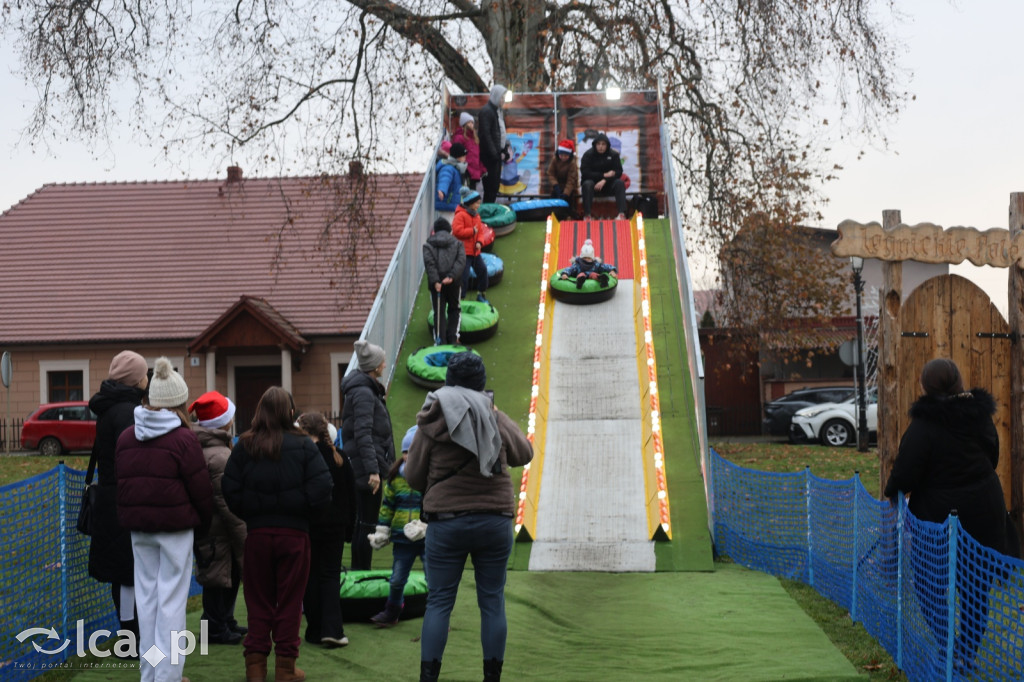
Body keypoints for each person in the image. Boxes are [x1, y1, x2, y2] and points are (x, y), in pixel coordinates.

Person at [405, 352, 533, 682]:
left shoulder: (432, 417)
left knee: (439, 602)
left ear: (448, 379)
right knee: (492, 601)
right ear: (481, 383)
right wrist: (494, 413)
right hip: (495, 518)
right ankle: (492, 677)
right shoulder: (491, 415)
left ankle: (428, 677)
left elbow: (415, 477)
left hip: (446, 521)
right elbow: (524, 452)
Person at [884, 358, 1017, 670]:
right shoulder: (979, 416)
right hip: (985, 510)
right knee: (976, 586)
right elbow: (992, 455)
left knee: (930, 584)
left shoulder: (924, 425)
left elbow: (905, 473)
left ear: (926, 386)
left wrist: (893, 492)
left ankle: (949, 646)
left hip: (937, 519)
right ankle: (965, 651)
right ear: (958, 381)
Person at [222, 386, 332, 682]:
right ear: (290, 412)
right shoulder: (305, 446)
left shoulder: (245, 445)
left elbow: (229, 489)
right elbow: (323, 489)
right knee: (290, 602)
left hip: (257, 535)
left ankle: (255, 667)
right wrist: (303, 513)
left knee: (257, 601)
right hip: (295, 536)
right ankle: (285, 667)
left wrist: (251, 513)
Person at [115, 357, 214, 682]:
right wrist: (204, 524)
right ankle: (168, 676)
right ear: (178, 402)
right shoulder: (183, 439)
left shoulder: (127, 437)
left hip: (138, 529)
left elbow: (124, 485)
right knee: (171, 604)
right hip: (175, 529)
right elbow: (200, 489)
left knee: (147, 603)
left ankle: (151, 674)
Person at [86, 350, 149, 654]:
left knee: (125, 572)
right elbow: (133, 459)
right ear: (137, 379)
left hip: (115, 500)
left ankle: (131, 636)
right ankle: (132, 640)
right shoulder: (126, 411)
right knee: (127, 574)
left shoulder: (114, 408)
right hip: (125, 501)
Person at [189, 391, 248, 646]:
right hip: (219, 530)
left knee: (226, 576)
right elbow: (227, 502)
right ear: (223, 422)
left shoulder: (210, 449)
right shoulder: (220, 456)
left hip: (211, 528)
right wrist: (243, 533)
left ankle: (224, 620)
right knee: (218, 579)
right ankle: (214, 628)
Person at [297, 411, 355, 649]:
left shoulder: (301, 457)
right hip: (336, 527)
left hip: (310, 525)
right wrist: (349, 529)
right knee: (330, 575)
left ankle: (314, 629)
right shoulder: (340, 457)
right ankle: (333, 629)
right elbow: (352, 497)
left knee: (310, 576)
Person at [340, 340, 397, 571]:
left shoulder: (364, 390)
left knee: (363, 524)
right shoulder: (364, 393)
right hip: (366, 471)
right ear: (374, 367)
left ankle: (360, 572)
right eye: (382, 361)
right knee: (366, 525)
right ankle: (360, 574)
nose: (385, 364)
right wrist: (374, 470)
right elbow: (363, 434)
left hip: (365, 466)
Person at [367, 425, 428, 627]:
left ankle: (437, 615)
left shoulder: (429, 477)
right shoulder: (395, 478)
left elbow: (435, 505)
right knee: (397, 578)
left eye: (413, 451)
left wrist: (425, 525)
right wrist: (382, 530)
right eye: (405, 452)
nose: (408, 456)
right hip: (402, 538)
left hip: (427, 539)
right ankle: (392, 610)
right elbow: (387, 506)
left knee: (434, 579)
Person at [423, 217, 466, 345]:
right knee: (454, 309)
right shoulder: (458, 244)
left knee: (439, 311)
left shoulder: (428, 245)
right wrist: (451, 276)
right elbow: (461, 262)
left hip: (436, 285)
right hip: (454, 282)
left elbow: (429, 264)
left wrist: (436, 281)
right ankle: (453, 337)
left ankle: (440, 340)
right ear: (450, 230)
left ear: (434, 231)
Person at [452, 189, 490, 304]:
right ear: (470, 203)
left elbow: (480, 232)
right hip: (464, 252)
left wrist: (479, 242)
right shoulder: (460, 215)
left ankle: (481, 293)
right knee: (464, 276)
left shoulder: (477, 216)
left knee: (483, 271)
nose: (479, 205)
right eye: (477, 203)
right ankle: (461, 299)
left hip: (475, 252)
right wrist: (471, 231)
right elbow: (457, 231)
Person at [579, 132, 627, 219]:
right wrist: (603, 175)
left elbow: (618, 172)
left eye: (603, 144)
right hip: (593, 185)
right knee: (587, 184)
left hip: (608, 184)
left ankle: (621, 214)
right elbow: (585, 173)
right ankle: (587, 215)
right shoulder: (588, 155)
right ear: (595, 145)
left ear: (607, 145)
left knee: (620, 183)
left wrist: (604, 180)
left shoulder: (614, 155)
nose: (601, 146)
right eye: (598, 144)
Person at [477, 84, 508, 204]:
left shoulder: (497, 112)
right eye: (502, 97)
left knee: (494, 188)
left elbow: (500, 134)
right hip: (489, 158)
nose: (503, 100)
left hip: (495, 157)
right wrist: (494, 154)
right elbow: (485, 135)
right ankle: (485, 217)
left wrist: (504, 150)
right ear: (496, 97)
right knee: (490, 188)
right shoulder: (487, 111)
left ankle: (488, 215)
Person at [435, 142, 468, 221]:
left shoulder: (456, 168)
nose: (465, 158)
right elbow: (445, 179)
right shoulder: (448, 168)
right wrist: (442, 190)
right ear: (458, 157)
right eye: (463, 156)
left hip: (452, 203)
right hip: (447, 204)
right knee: (448, 225)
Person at [452, 112, 483, 191]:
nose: (471, 124)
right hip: (465, 171)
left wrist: (482, 169)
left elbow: (477, 156)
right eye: (469, 122)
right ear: (464, 123)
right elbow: (456, 154)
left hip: (474, 172)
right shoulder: (459, 137)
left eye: (472, 122)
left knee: (472, 195)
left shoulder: (474, 139)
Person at [546, 139, 580, 211]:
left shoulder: (572, 163)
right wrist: (555, 185)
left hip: (569, 187)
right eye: (561, 155)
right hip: (557, 185)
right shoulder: (555, 160)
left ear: (570, 155)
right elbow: (550, 173)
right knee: (553, 200)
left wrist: (565, 193)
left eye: (566, 155)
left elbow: (571, 180)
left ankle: (569, 215)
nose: (563, 157)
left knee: (568, 201)